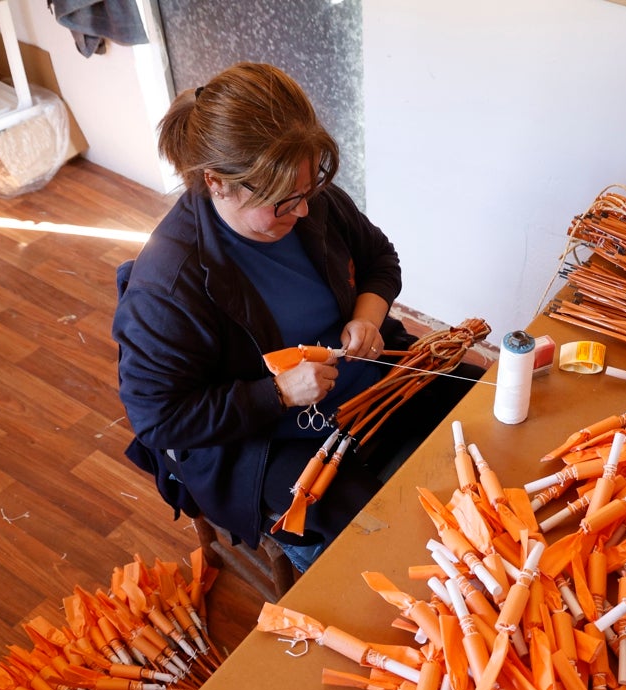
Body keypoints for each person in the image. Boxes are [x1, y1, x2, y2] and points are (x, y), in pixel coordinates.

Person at [113, 62, 475, 572]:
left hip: (367, 386)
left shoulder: (311, 202)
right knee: (382, 538)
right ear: (217, 183)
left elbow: (378, 259)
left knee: (482, 399)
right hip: (264, 443)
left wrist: (368, 317)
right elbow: (160, 420)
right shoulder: (168, 286)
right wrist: (277, 393)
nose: (304, 213)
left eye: (307, 192)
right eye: (284, 203)